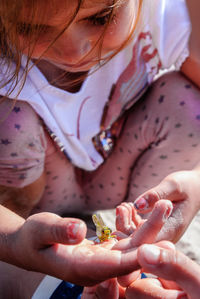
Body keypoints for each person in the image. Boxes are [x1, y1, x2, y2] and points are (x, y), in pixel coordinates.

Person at [0, 0, 200, 297]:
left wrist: (196, 179)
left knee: (189, 104)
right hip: (44, 191)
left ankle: (135, 235)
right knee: (9, 121)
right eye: (32, 28)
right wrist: (15, 241)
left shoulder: (162, 15)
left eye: (101, 17)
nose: (74, 51)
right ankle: (22, 238)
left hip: (120, 174)